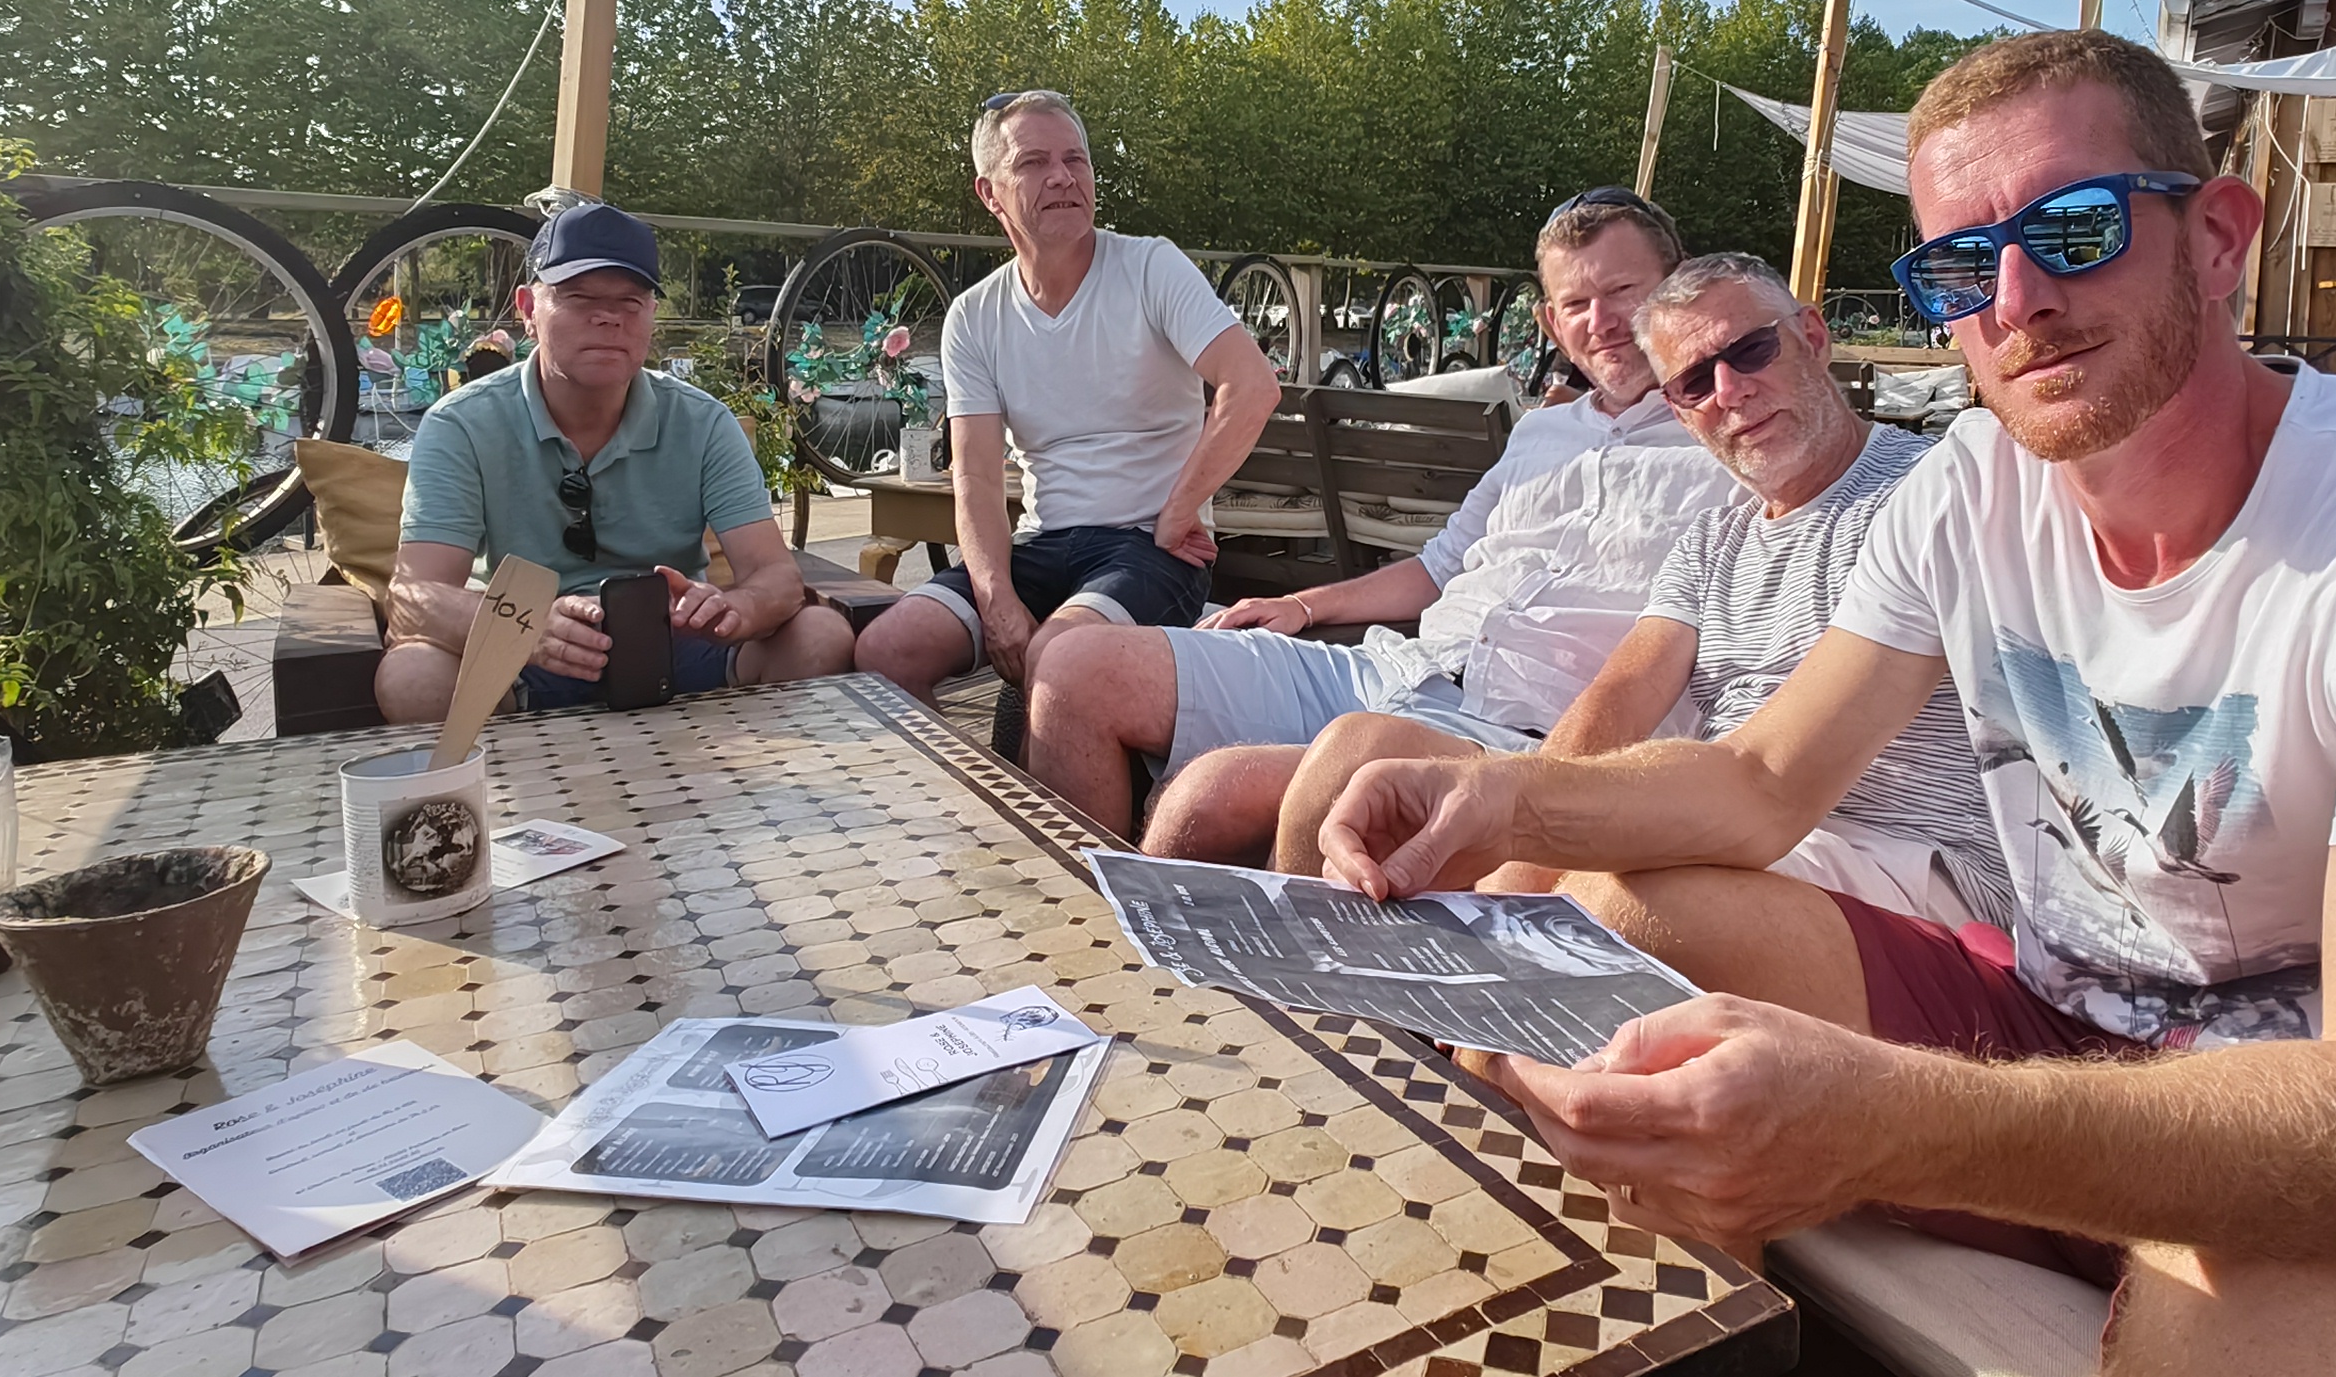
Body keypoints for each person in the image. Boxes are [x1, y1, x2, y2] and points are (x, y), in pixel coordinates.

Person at [1317, 30, 2336, 1377]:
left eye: (2073, 230)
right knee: (1609, 925)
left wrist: (1898, 1123)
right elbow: (1761, 778)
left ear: (2218, 238)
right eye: (1958, 266)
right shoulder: (1970, 489)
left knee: (2288, 1339)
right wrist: (1504, 799)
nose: (2015, 300)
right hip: (2057, 1023)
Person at [1256, 253, 2013, 934]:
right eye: (1694, 382)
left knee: (1615, 886)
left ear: (1813, 338)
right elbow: (1618, 696)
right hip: (1732, 816)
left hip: (1908, 854)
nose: (1730, 391)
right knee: (1356, 754)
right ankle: (1320, 1002)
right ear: (1679, 410)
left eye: (1751, 350)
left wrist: (1521, 859)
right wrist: (1515, 852)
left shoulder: (1937, 485)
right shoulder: (1715, 538)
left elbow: (1767, 785)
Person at [1025, 190, 1742, 855]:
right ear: (1552, 322)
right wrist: (1303, 604)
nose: (1601, 322)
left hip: (1517, 734)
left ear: (1675, 292)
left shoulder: (1732, 449)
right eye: (1577, 303)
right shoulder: (1539, 434)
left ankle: (1133, 947)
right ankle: (1069, 925)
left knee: (1206, 797)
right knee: (1074, 669)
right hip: (1395, 668)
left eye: (1623, 291)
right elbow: (1436, 569)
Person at [849, 92, 1280, 750]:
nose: (1062, 177)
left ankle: (1047, 817)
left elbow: (1252, 386)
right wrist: (996, 600)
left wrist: (1177, 510)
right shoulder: (975, 316)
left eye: (1076, 160)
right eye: (1034, 163)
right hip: (1041, 545)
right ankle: (969, 803)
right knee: (885, 653)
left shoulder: (1150, 267)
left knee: (1056, 660)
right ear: (990, 193)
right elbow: (976, 479)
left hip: (1150, 549)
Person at [381, 203, 854, 721]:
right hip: (517, 658)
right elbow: (412, 596)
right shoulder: (462, 423)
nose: (608, 317)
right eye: (579, 297)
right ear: (527, 309)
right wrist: (525, 626)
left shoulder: (703, 422)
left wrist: (733, 610)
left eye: (630, 301)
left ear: (652, 314)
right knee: (412, 676)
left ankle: (755, 770)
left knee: (820, 635)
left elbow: (775, 576)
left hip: (675, 645)